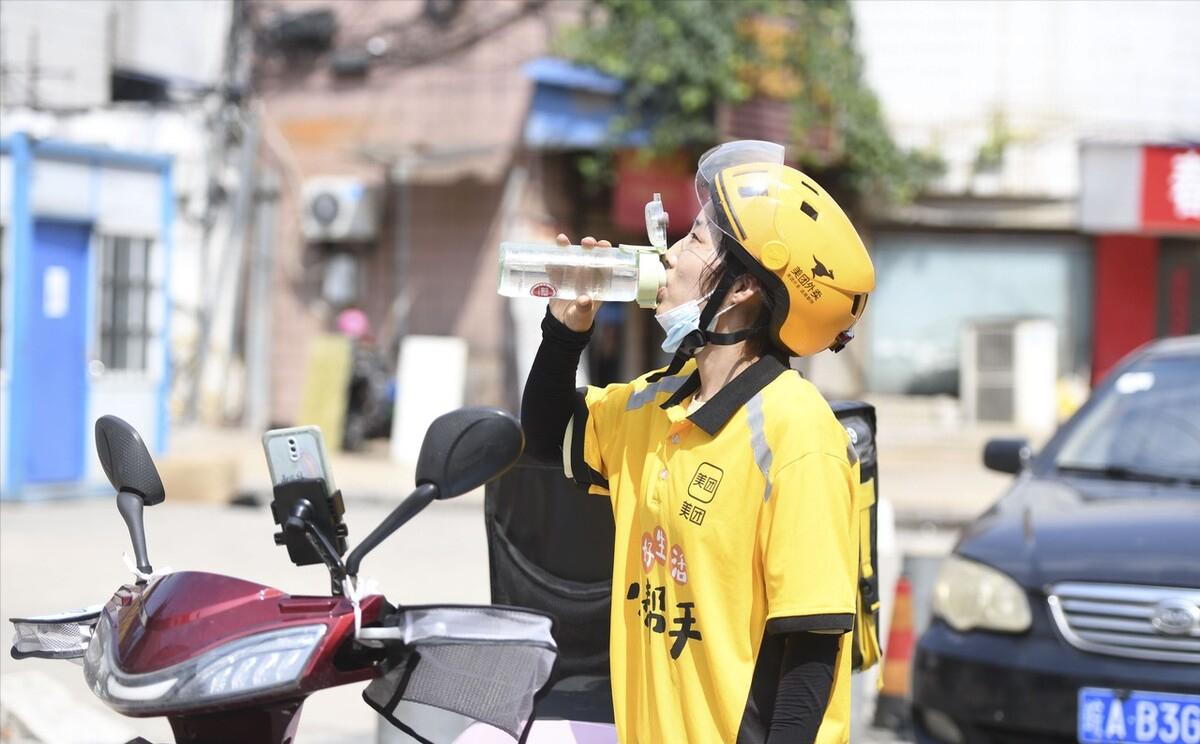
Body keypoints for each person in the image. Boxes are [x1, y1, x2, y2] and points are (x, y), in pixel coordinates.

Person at [521, 140, 876, 744]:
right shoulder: (656, 400)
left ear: (741, 289)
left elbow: (811, 648)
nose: (670, 254)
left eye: (694, 241)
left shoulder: (796, 432)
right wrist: (565, 329)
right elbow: (546, 435)